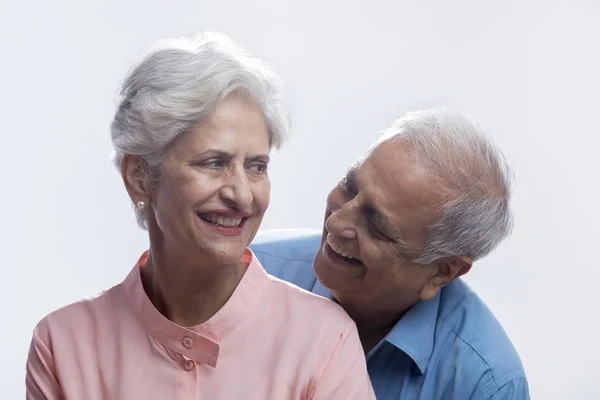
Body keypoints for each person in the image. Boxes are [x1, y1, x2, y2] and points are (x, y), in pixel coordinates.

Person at [25, 33, 374, 400]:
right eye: (214, 163)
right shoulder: (62, 345)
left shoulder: (324, 340)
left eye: (257, 167)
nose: (241, 194)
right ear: (140, 177)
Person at [251, 107, 530, 399]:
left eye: (376, 224)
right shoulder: (244, 272)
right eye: (349, 186)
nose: (336, 222)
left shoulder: (484, 386)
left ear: (442, 271)